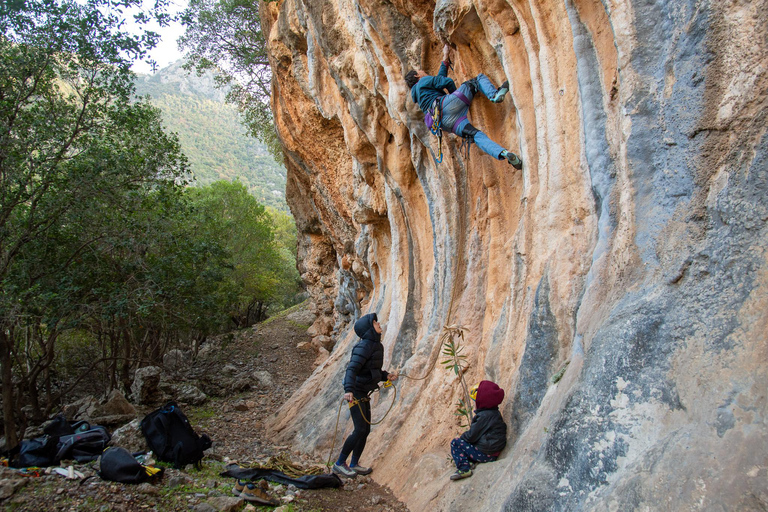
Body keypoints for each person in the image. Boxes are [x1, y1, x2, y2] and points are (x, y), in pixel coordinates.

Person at [405, 44, 523, 170]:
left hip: (446, 123)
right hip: (448, 105)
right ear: (417, 76)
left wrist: (445, 57)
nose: (423, 72)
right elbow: (447, 82)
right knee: (478, 80)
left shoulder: (419, 96)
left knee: (476, 136)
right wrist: (456, 96)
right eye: (420, 71)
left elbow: (439, 79)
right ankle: (494, 95)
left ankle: (503, 153)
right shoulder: (423, 81)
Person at [332, 313, 398, 478]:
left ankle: (354, 463)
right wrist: (348, 390)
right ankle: (339, 463)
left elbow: (372, 370)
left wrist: (386, 376)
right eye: (375, 323)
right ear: (369, 329)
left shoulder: (376, 345)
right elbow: (352, 369)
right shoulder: (364, 346)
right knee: (360, 429)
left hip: (362, 391)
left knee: (365, 429)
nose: (379, 324)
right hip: (355, 392)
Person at [449, 380, 507, 480]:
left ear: (482, 401)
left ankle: (464, 469)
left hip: (487, 454)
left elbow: (471, 436)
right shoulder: (494, 413)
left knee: (456, 443)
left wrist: (462, 438)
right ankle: (470, 462)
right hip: (493, 451)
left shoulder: (484, 416)